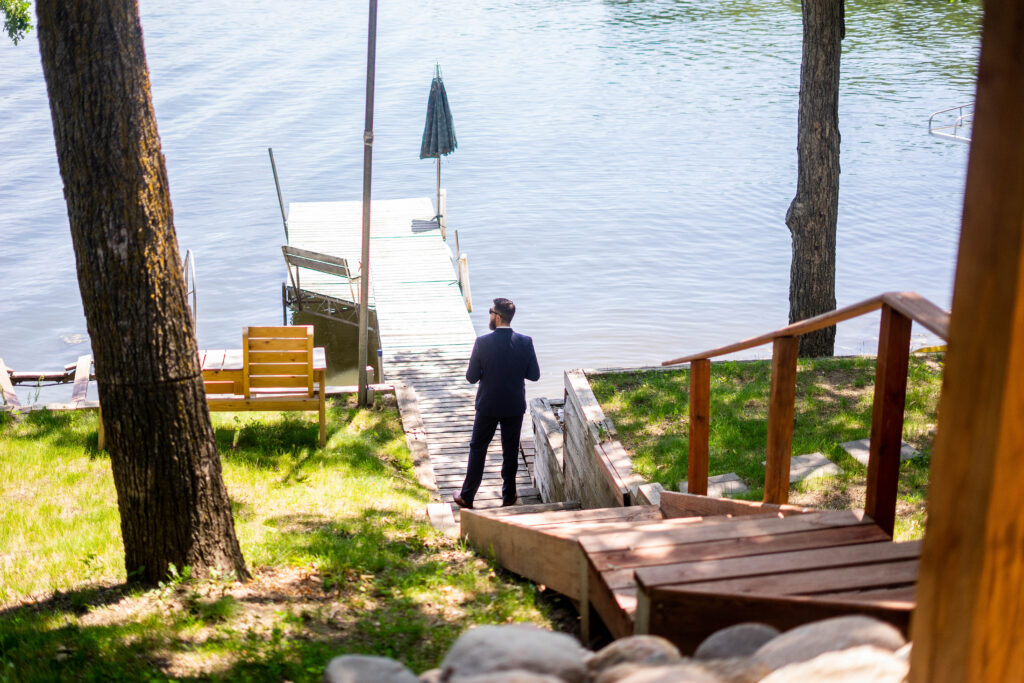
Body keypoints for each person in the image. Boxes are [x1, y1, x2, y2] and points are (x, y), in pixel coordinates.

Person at [454, 298, 540, 509]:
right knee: (510, 451)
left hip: (488, 406)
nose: (489, 315)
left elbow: (471, 377)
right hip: (514, 406)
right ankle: (509, 495)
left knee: (478, 448)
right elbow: (534, 375)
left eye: (491, 312)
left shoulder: (482, 342)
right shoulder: (525, 342)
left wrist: (486, 370)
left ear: (498, 316)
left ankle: (467, 495)